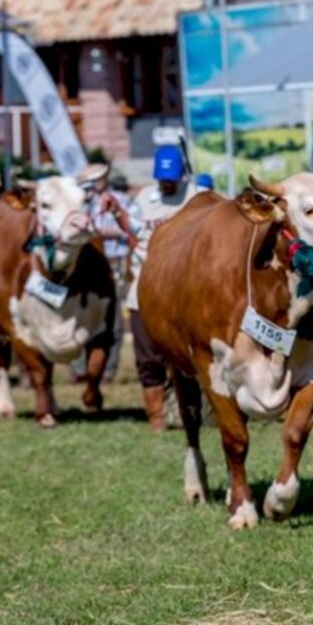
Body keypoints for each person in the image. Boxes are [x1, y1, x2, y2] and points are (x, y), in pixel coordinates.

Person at [127, 145, 200, 430]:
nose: (167, 183)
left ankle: (188, 412)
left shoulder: (196, 197)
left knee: (188, 357)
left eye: (172, 177)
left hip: (186, 292)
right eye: (162, 178)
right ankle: (156, 415)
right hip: (144, 288)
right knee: (148, 357)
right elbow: (133, 232)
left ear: (182, 174)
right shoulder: (144, 198)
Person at [71, 164, 137, 383]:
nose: (92, 187)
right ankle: (80, 369)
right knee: (78, 317)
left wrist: (103, 232)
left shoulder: (121, 201)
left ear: (104, 180)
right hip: (87, 265)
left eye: (96, 181)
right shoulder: (82, 203)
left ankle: (108, 371)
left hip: (115, 263)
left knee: (114, 321)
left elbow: (131, 228)